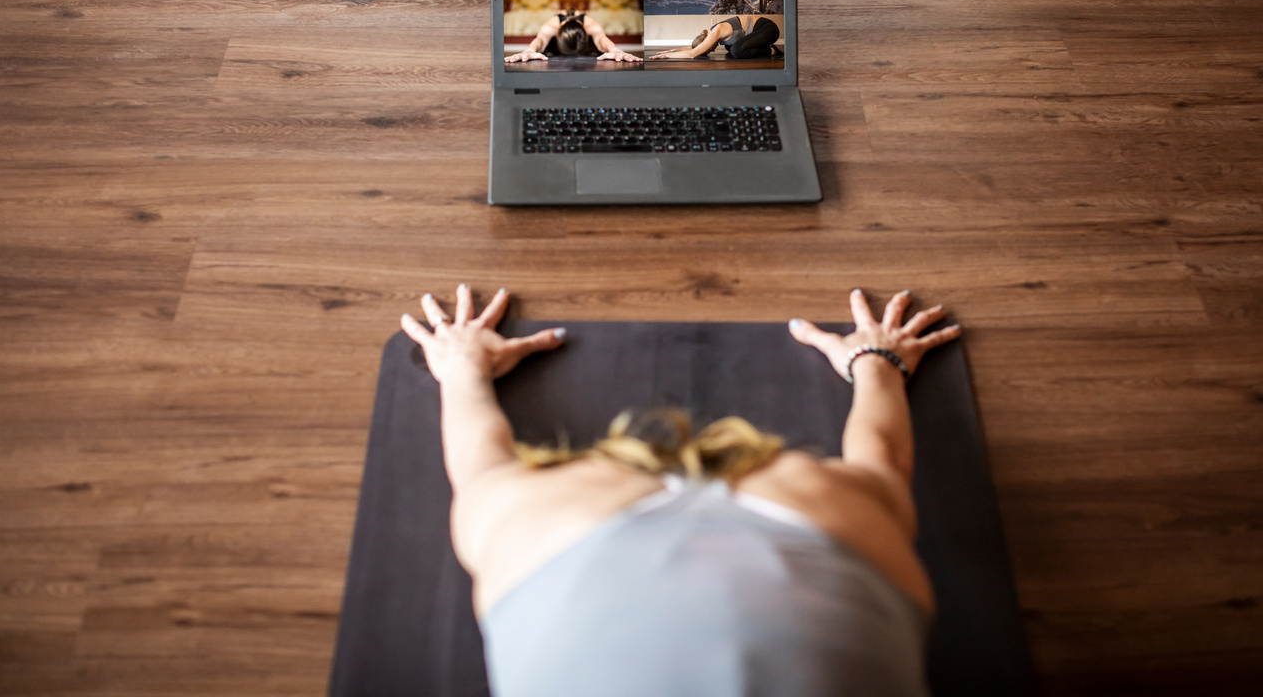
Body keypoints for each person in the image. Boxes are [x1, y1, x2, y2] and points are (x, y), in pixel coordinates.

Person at [399, 284, 962, 697]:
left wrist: (462, 368)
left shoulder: (523, 514)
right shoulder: (520, 512)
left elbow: (883, 461)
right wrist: (877, 360)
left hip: (589, 530)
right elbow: (883, 457)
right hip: (593, 527)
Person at [504, 10, 640, 64]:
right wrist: (530, 50)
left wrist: (614, 50)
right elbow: (541, 40)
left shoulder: (590, 24)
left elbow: (600, 39)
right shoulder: (552, 25)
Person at [648, 14, 780, 60]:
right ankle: (766, 47)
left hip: (768, 29)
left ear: (706, 42)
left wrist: (666, 57)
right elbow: (692, 47)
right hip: (759, 34)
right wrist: (671, 51)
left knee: (736, 51)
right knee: (730, 48)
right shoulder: (709, 36)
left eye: (708, 49)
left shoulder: (716, 31)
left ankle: (771, 50)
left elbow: (693, 53)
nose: (712, 50)